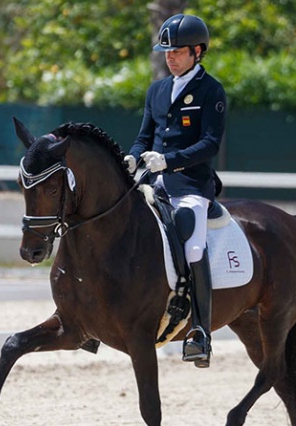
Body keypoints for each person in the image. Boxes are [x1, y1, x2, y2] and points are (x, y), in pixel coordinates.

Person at [124, 13, 226, 368]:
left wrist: (170, 161)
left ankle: (200, 332)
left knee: (194, 247)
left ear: (197, 51)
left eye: (178, 52)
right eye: (166, 51)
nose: (170, 57)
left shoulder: (211, 91)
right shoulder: (158, 89)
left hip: (190, 186)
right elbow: (143, 136)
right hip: (152, 183)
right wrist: (133, 158)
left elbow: (210, 144)